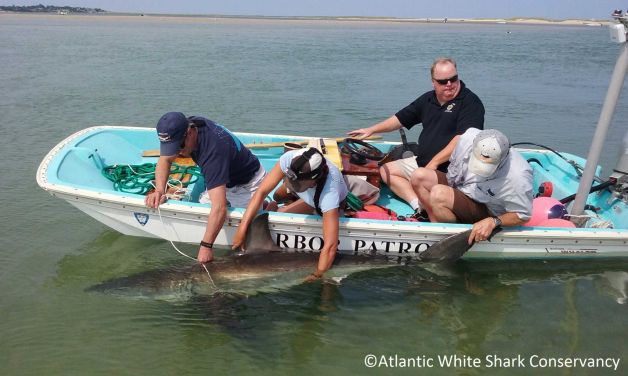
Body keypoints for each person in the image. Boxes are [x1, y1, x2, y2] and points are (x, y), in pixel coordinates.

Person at [348, 57, 484, 217]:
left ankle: (434, 210)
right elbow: (400, 118)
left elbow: (462, 140)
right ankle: (419, 206)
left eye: (453, 79)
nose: (449, 84)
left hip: (451, 171)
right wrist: (371, 129)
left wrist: (434, 162)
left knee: (419, 176)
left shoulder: (470, 102)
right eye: (443, 81)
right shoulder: (428, 99)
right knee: (386, 170)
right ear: (433, 82)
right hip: (423, 162)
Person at [145, 112, 266, 263]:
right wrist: (159, 191)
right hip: (225, 175)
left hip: (248, 183)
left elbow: (219, 208)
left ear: (189, 133)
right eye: (172, 148)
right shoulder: (188, 125)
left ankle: (263, 204)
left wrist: (206, 246)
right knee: (204, 211)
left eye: (179, 147)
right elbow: (165, 160)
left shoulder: (213, 152)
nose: (177, 152)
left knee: (242, 230)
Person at [232, 147, 348, 282]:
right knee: (276, 196)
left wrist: (318, 274)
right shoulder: (290, 158)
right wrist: (242, 228)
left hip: (318, 203)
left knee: (289, 210)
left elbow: (330, 246)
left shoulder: (329, 195)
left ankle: (290, 204)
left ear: (314, 180)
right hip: (306, 192)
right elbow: (261, 192)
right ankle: (283, 201)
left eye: (298, 184)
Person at [410, 128, 533, 244]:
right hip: (462, 186)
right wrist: (435, 162)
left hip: (485, 208)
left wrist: (494, 221)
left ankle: (449, 237)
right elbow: (458, 139)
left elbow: (523, 215)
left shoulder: (518, 176)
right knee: (418, 176)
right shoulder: (470, 137)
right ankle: (435, 223)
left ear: (503, 158)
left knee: (438, 194)